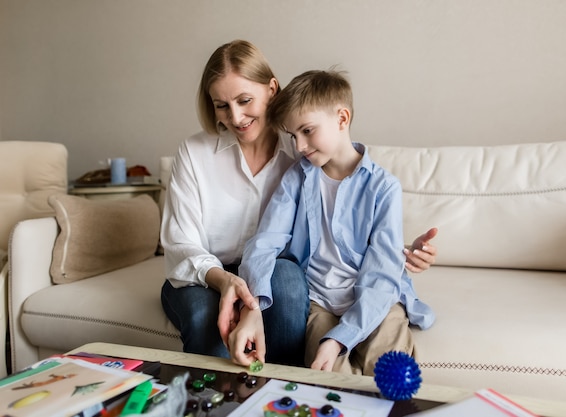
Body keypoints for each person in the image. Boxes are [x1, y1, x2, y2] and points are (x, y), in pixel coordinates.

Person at [160, 39, 438, 368]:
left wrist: (397, 253)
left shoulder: (305, 156)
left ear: (271, 90)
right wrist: (238, 292)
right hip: (208, 275)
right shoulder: (203, 155)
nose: (235, 116)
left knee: (293, 288)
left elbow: (353, 235)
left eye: (244, 100)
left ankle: (282, 388)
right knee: (210, 317)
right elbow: (189, 243)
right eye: (222, 105)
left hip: (296, 276)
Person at [231, 69, 435, 375]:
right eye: (293, 135)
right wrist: (253, 305)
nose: (299, 145)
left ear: (342, 119)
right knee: (329, 378)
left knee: (393, 373)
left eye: (307, 131)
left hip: (373, 300)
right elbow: (264, 242)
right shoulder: (296, 178)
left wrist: (340, 338)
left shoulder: (383, 187)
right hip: (318, 301)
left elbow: (381, 273)